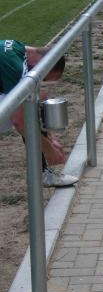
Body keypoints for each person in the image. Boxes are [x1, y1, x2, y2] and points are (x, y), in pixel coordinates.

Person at [0, 40, 78, 187]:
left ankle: (42, 172)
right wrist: (48, 150)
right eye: (44, 77)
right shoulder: (15, 67)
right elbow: (20, 120)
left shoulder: (17, 48)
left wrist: (48, 137)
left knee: (35, 97)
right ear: (42, 65)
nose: (40, 79)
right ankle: (42, 174)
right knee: (27, 107)